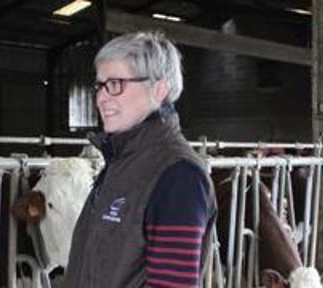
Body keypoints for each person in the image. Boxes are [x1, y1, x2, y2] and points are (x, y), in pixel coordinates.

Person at [64, 31, 216, 287]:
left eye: (115, 84)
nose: (101, 97)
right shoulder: (120, 162)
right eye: (100, 85)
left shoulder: (178, 176)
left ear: (159, 89)